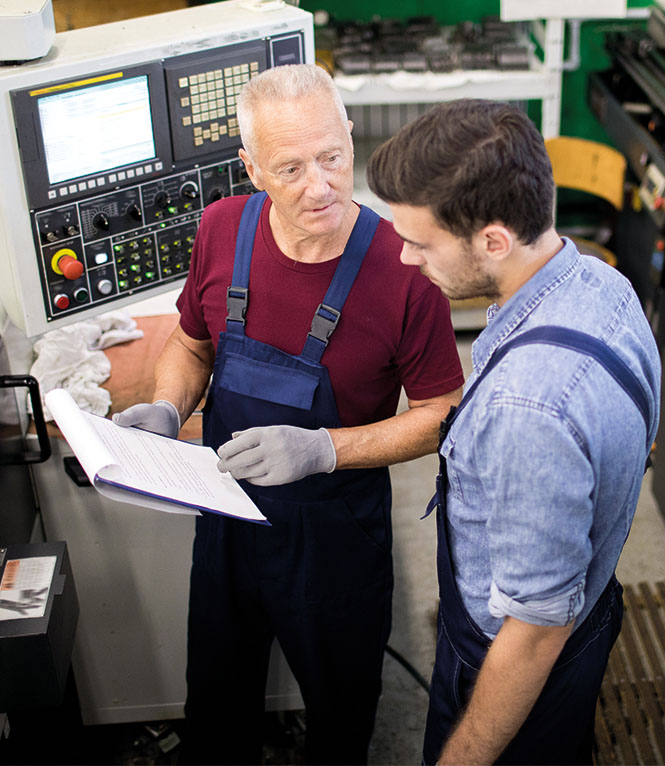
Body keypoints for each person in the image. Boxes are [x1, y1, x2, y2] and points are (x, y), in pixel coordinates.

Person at [112, 64, 464, 765]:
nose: (320, 185)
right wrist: (165, 402)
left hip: (335, 539)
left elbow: (442, 413)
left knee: (340, 710)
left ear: (351, 138)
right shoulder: (221, 230)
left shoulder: (407, 272)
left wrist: (324, 450)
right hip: (227, 521)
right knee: (216, 697)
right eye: (292, 167)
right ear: (251, 168)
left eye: (333, 157)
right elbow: (191, 341)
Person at [366, 99, 661, 765]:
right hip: (593, 606)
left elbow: (532, 634)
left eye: (420, 241)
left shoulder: (526, 409)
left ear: (494, 240)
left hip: (519, 660)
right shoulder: (601, 284)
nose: (406, 259)